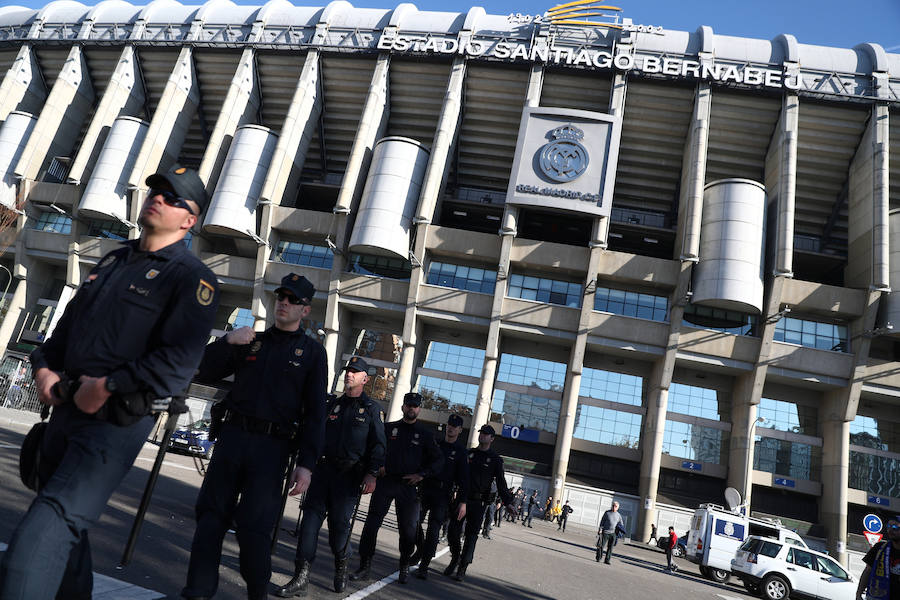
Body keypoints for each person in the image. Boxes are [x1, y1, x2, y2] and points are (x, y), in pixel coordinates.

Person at [0, 165, 219, 600]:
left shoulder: (191, 278)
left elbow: (177, 363)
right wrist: (44, 368)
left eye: (173, 198)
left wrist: (110, 386)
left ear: (189, 220)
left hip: (113, 421)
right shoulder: (114, 259)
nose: (159, 197)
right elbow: (64, 332)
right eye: (157, 189)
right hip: (63, 410)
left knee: (46, 528)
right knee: (68, 533)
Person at [182, 272, 327, 600]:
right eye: (281, 298)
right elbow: (201, 369)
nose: (284, 304)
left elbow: (316, 414)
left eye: (293, 300)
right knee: (209, 518)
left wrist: (307, 463)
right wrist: (225, 342)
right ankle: (197, 592)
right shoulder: (251, 340)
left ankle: (257, 593)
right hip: (233, 438)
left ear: (305, 310)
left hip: (272, 449)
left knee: (253, 529)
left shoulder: (313, 354)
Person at [275, 356, 386, 597]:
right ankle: (301, 576)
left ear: (365, 379)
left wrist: (372, 473)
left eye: (355, 372)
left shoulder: (371, 409)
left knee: (338, 530)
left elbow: (379, 445)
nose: (349, 374)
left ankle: (341, 565)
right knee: (308, 526)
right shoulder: (332, 405)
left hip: (348, 478)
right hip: (323, 473)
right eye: (348, 370)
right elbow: (313, 434)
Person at [350, 392, 443, 584]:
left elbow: (438, 460)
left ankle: (404, 566)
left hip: (408, 487)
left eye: (415, 405)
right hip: (385, 482)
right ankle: (364, 566)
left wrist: (421, 475)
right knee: (371, 525)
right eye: (408, 405)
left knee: (408, 531)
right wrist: (377, 465)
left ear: (419, 409)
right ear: (402, 407)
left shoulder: (425, 435)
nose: (411, 408)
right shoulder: (388, 428)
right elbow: (374, 449)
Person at [444, 424, 516, 582]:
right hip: (462, 500)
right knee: (452, 532)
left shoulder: (495, 460)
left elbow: (502, 484)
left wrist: (508, 502)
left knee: (471, 536)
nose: (482, 436)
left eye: (486, 434)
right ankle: (455, 556)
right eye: (481, 433)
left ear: (492, 438)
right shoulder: (468, 454)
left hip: (479, 503)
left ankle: (462, 567)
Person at [413, 413, 469, 580]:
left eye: (454, 426)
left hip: (443, 495)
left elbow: (464, 480)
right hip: (425, 489)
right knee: (413, 523)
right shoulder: (436, 444)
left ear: (460, 430)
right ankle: (420, 548)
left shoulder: (460, 452)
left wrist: (463, 502)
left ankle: (424, 566)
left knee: (433, 530)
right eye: (449, 425)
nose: (450, 428)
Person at [857, 515, 900, 600]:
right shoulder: (879, 548)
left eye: (895, 527)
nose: (890, 530)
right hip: (877, 596)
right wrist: (859, 593)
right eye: (888, 526)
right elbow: (867, 571)